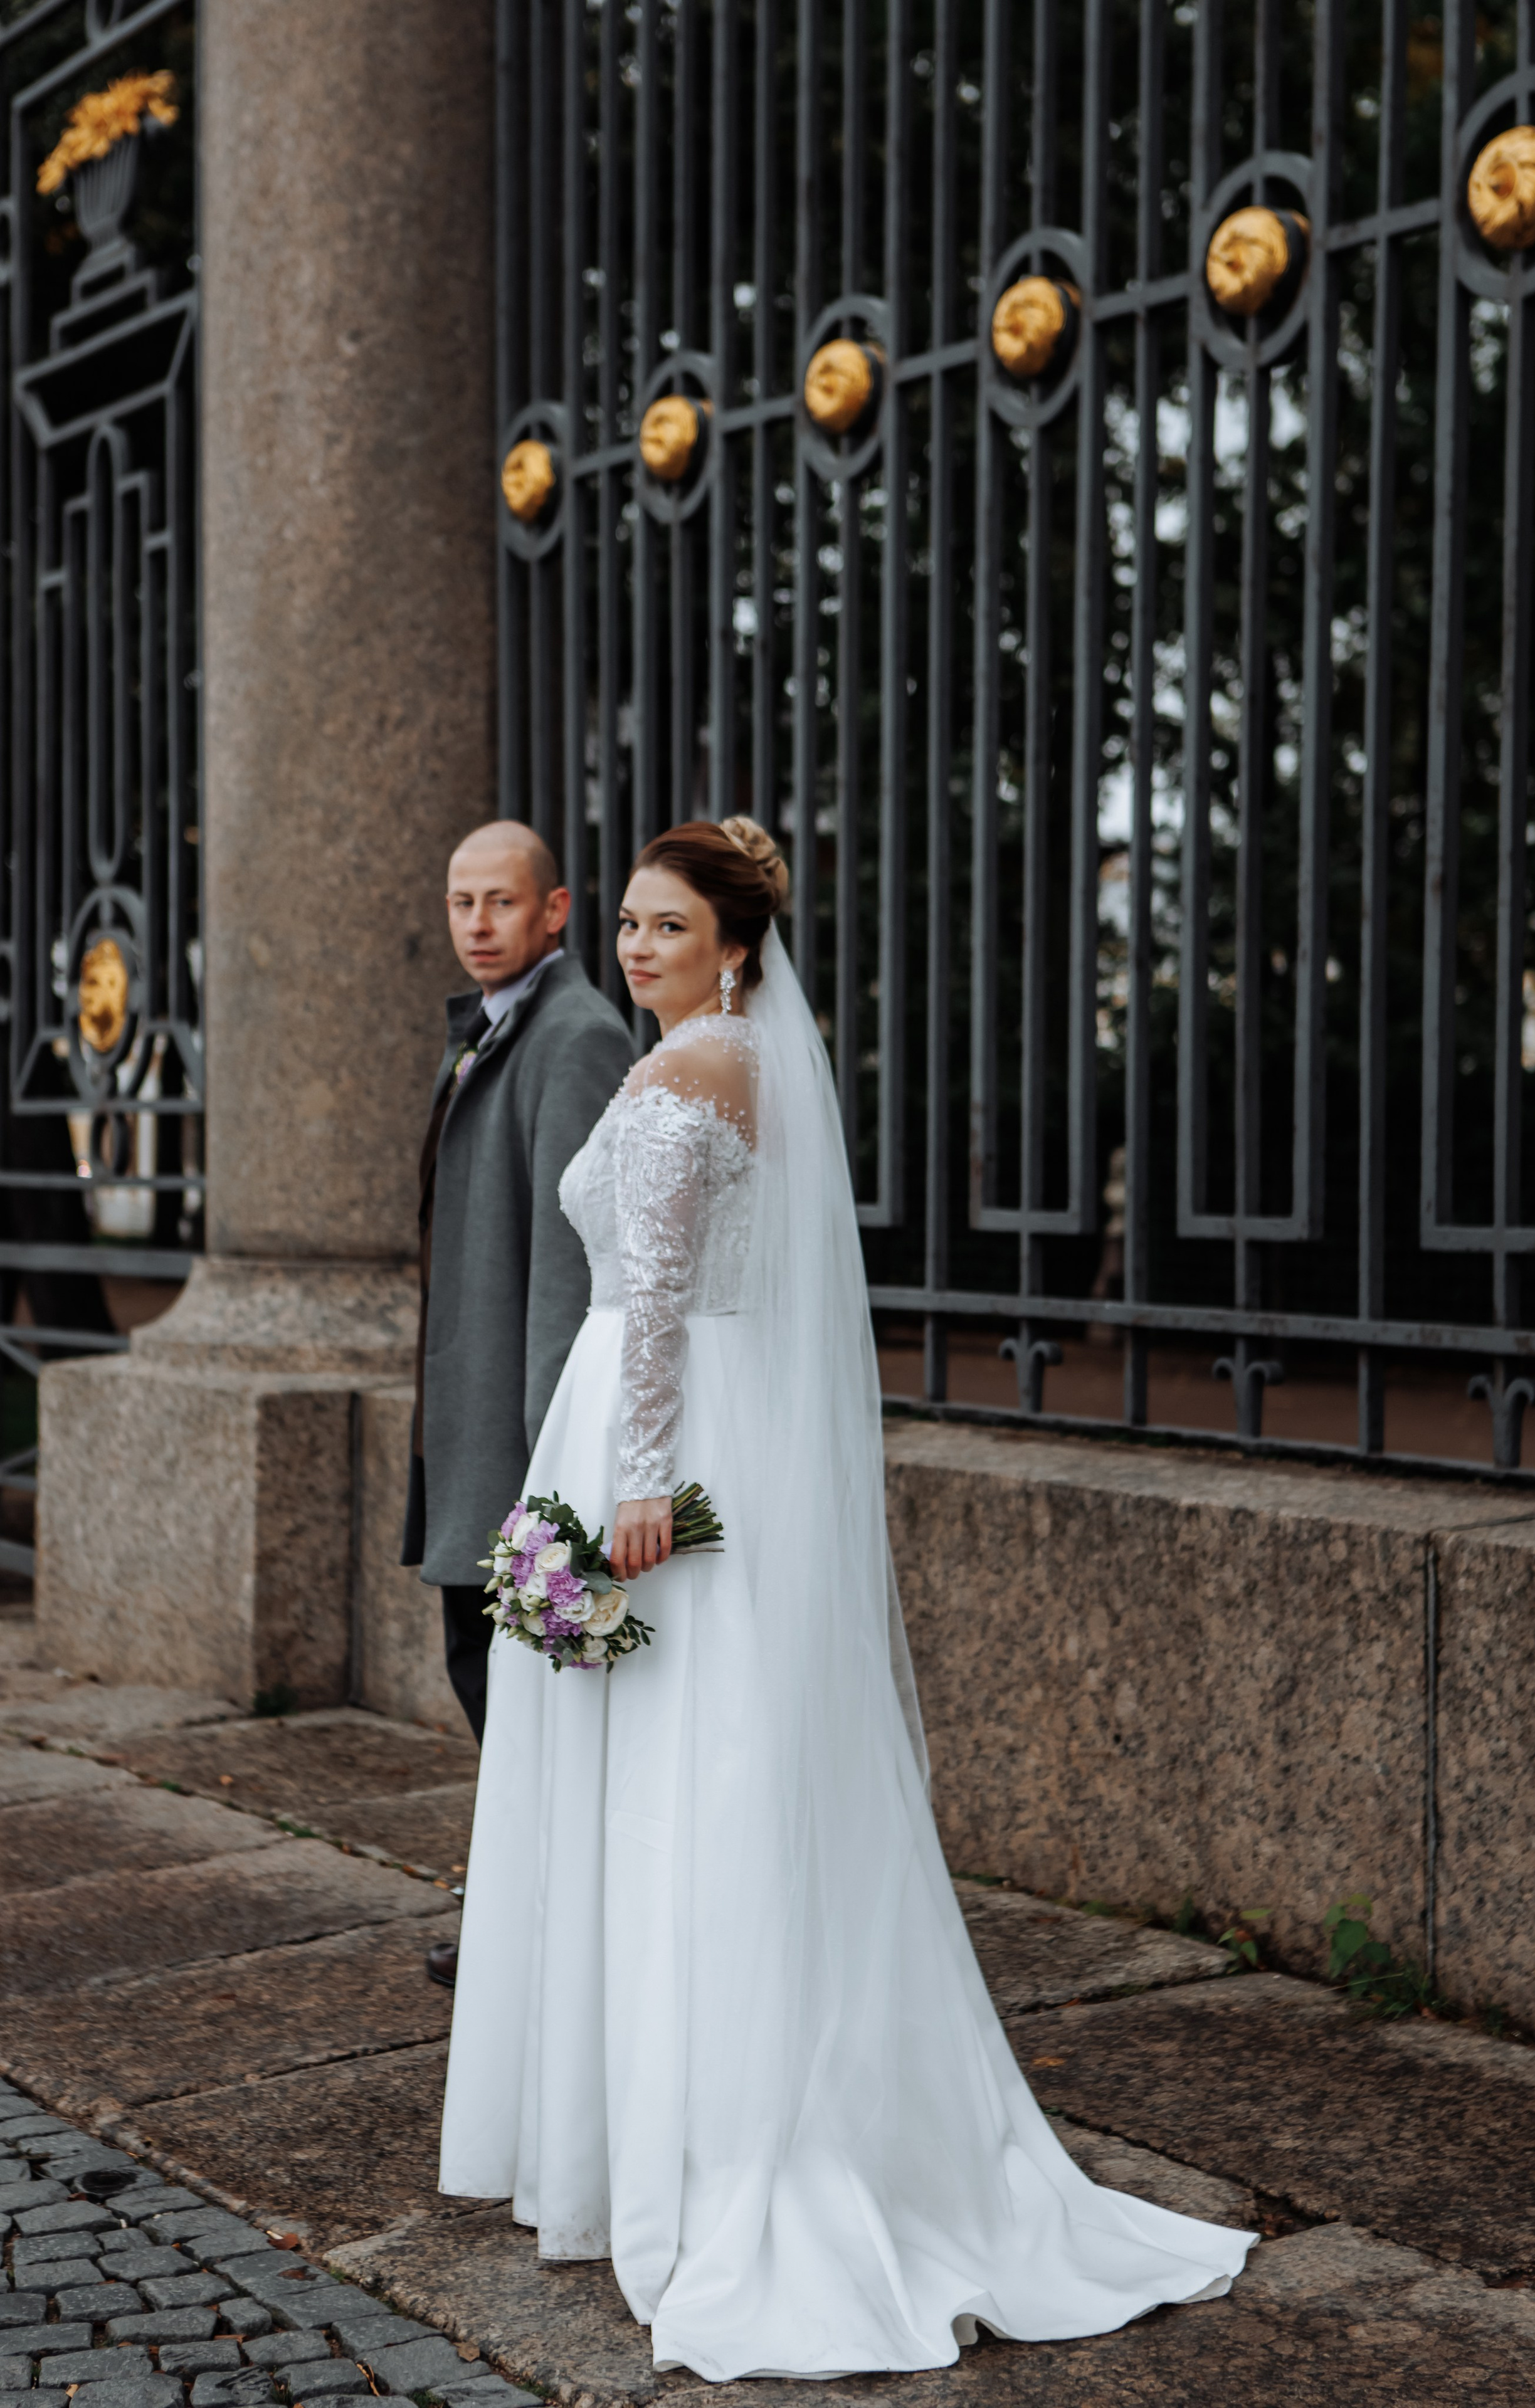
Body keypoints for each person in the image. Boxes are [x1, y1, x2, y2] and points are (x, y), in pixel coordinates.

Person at [439, 817, 1254, 2380]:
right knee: (675, 1778)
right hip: (621, 1422)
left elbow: (664, 1302)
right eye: (622, 924)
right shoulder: (704, 1056)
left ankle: (712, 2147)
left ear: (734, 946)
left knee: (689, 1786)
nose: (634, 948)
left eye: (667, 928)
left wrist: (638, 1490)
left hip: (651, 1445)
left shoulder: (693, 1074)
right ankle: (640, 2133)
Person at [402, 820, 632, 1988]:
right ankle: (529, 1923)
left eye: (501, 903)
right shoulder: (495, 1027)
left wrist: (555, 1476)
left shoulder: (577, 1038)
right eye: (461, 902)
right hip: (471, 1430)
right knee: (494, 1688)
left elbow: (572, 1269)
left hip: (523, 1454)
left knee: (538, 1702)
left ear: (556, 912)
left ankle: (550, 1940)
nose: (477, 923)